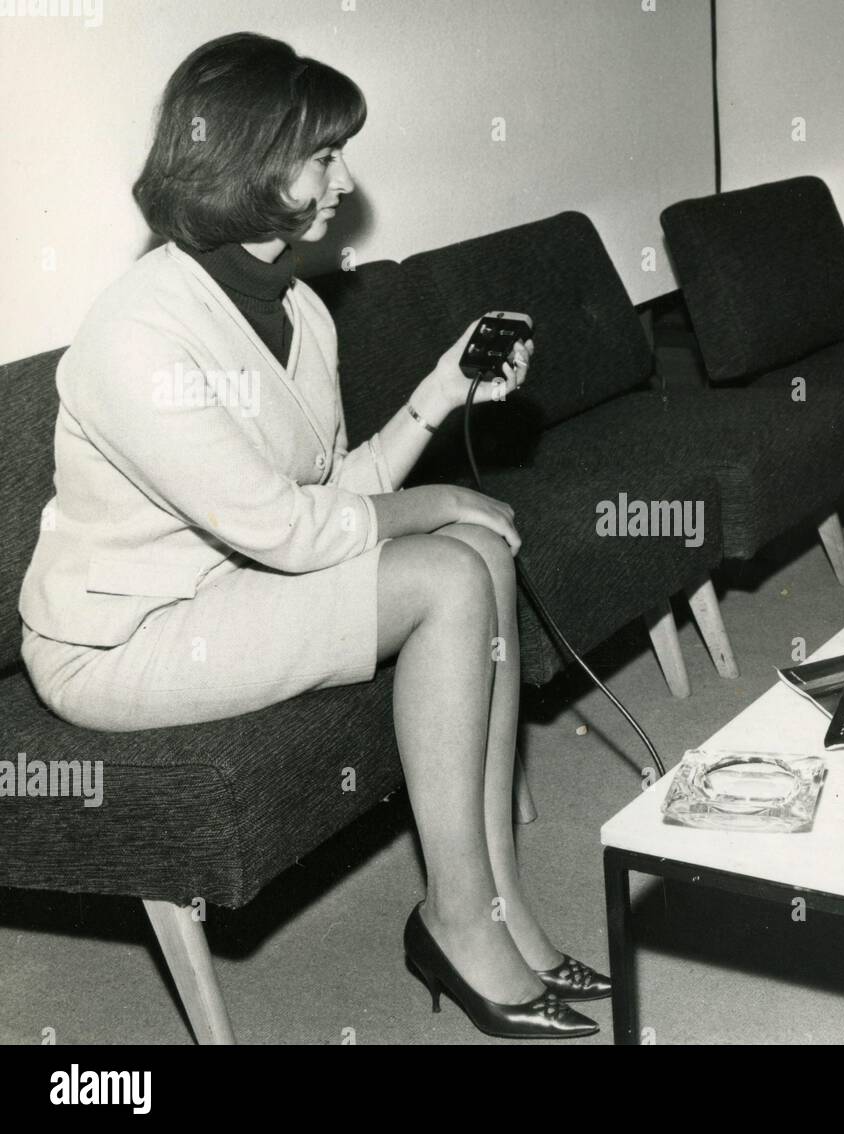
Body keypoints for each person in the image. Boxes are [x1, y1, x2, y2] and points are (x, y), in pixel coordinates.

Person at [17, 32, 606, 1040]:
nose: (345, 179)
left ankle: (503, 906)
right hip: (126, 639)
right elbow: (293, 531)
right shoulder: (137, 336)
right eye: (324, 154)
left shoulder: (297, 308)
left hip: (234, 586)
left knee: (485, 555)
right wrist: (433, 507)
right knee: (450, 573)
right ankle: (454, 921)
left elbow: (336, 492)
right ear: (249, 162)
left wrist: (441, 390)